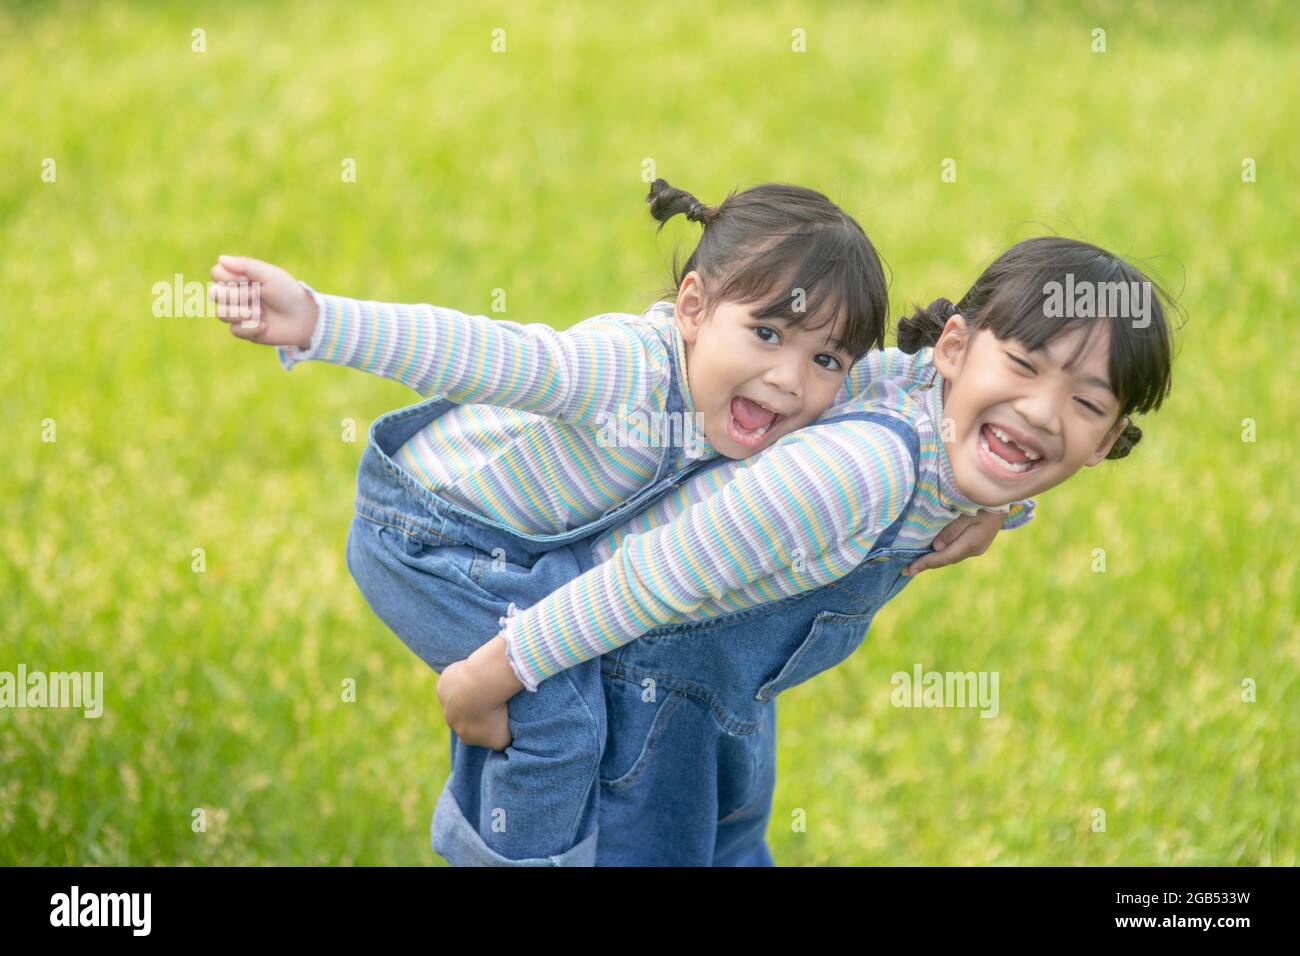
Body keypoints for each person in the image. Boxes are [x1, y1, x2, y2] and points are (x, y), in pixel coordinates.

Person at [209, 179, 1007, 862]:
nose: (790, 378)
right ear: (692, 307)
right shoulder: (624, 371)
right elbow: (483, 353)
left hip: (530, 554)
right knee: (554, 709)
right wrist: (318, 320)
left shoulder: (790, 399)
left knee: (566, 675)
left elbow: (936, 391)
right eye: (765, 334)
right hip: (429, 534)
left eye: (826, 359)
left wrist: (1000, 501)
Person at [438, 235, 1175, 865]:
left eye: (1085, 404)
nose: (1043, 411)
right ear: (954, 347)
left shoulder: (929, 412)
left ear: (1106, 442)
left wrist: (1002, 507)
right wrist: (491, 675)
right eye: (1022, 366)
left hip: (724, 714)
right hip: (635, 692)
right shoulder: (859, 471)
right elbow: (651, 574)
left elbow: (986, 427)